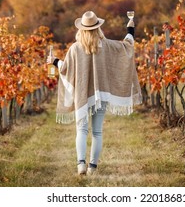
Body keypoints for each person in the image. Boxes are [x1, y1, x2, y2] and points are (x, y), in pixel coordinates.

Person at [47, 11, 142, 175]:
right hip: (102, 94)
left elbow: (65, 68)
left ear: (81, 29)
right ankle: (93, 167)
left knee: (81, 130)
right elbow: (127, 46)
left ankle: (81, 164)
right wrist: (130, 30)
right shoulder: (107, 46)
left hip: (83, 94)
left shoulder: (75, 48)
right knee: (97, 131)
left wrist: (54, 61)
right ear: (98, 28)